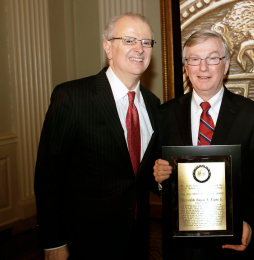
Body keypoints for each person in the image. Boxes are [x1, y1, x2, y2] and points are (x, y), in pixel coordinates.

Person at [34, 13, 160, 260]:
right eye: (129, 40)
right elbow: (49, 174)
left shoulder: (154, 105)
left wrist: (162, 180)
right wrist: (53, 241)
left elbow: (144, 173)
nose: (139, 49)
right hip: (84, 242)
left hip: (137, 240)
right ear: (108, 48)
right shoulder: (72, 97)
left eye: (146, 42)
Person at [152, 29, 254, 260]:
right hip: (179, 248)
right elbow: (150, 174)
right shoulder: (163, 114)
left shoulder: (253, 116)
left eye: (212, 58)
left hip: (231, 247)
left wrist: (248, 221)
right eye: (194, 59)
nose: (203, 67)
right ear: (186, 67)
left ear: (225, 66)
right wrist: (159, 179)